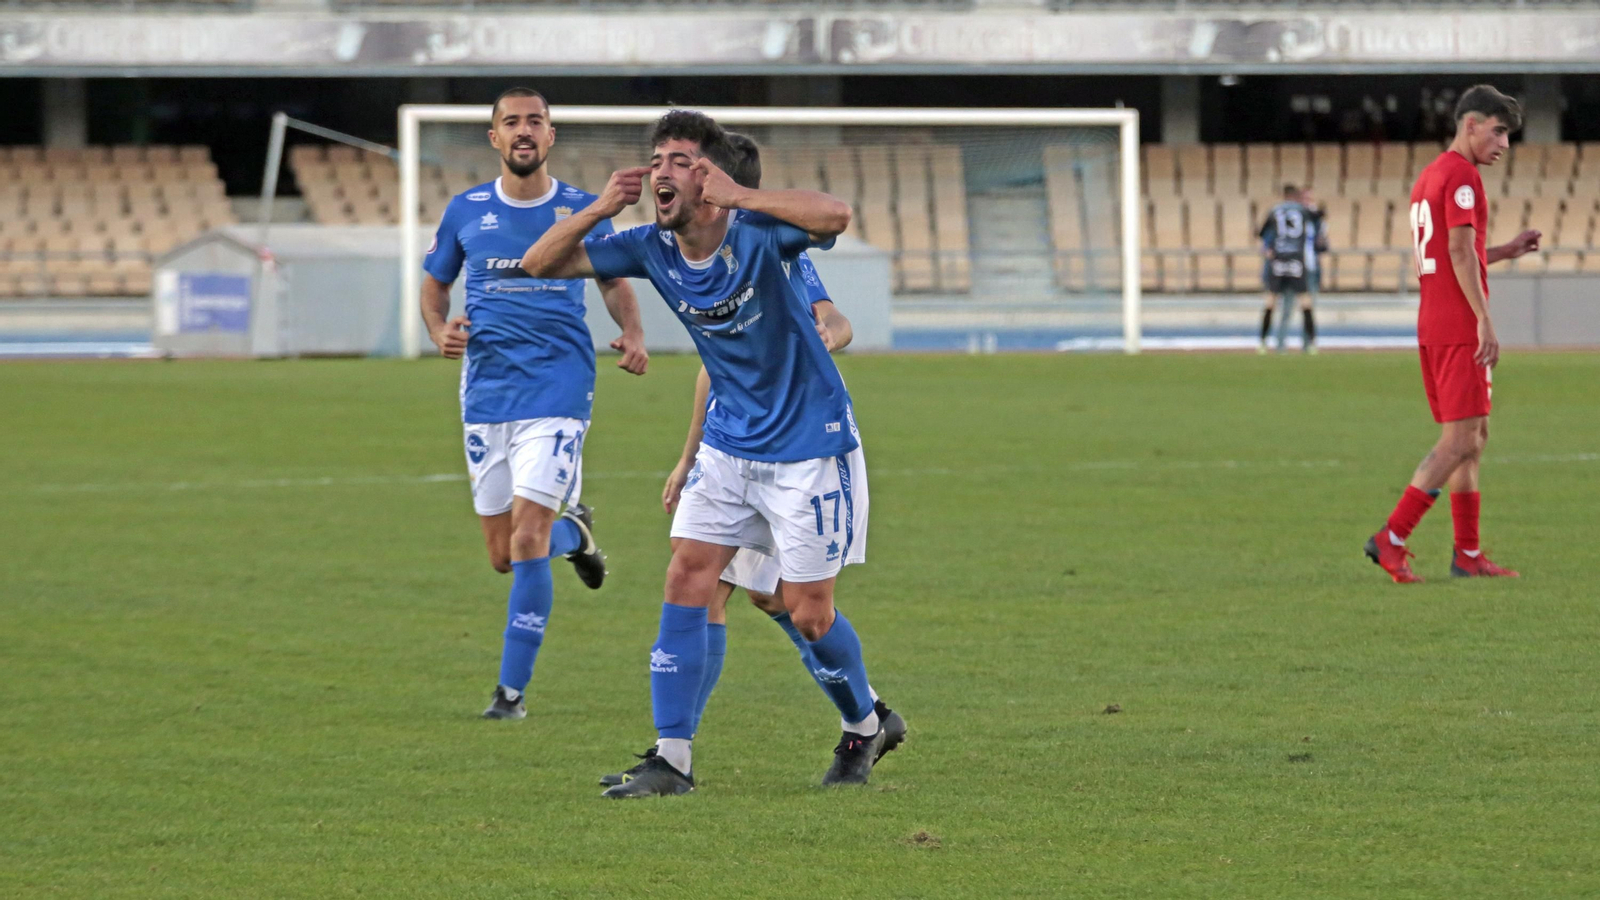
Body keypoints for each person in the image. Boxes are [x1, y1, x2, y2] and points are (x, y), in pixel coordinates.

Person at [523, 110, 896, 797]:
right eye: (657, 158)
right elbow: (539, 263)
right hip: (730, 446)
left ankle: (867, 724)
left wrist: (742, 197)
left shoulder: (761, 235)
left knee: (804, 611)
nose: (661, 170)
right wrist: (601, 208)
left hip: (810, 447)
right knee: (688, 575)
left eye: (680, 160)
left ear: (711, 176)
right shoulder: (650, 246)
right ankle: (673, 760)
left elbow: (836, 215)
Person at [419, 88, 649, 720]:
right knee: (504, 554)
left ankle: (510, 695)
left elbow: (613, 279)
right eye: (511, 122)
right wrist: (440, 331)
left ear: (552, 137)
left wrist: (631, 332)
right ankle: (575, 536)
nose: (524, 131)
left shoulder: (581, 207)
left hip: (558, 389)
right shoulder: (465, 211)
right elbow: (435, 284)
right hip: (487, 391)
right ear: (494, 138)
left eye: (535, 122)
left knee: (524, 538)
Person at [1364, 84, 1540, 583]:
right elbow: (1459, 255)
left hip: (1436, 319)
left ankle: (1467, 554)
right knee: (1460, 439)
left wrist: (1504, 250)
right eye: (1499, 130)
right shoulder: (1463, 178)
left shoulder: (1431, 175)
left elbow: (1450, 253)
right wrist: (1484, 318)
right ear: (1471, 124)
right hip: (1458, 323)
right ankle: (1391, 537)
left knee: (1473, 438)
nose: (1504, 143)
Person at [1257, 184, 1316, 354]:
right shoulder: (1303, 211)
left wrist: (1269, 247)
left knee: (1270, 302)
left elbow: (1262, 233)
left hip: (1278, 260)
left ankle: (1262, 342)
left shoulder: (1275, 210)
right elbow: (1319, 218)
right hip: (1297, 260)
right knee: (1305, 302)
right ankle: (1312, 343)